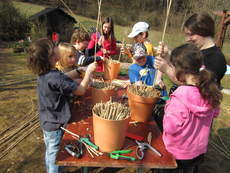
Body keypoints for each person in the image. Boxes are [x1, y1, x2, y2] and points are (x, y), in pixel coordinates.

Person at [26, 38, 97, 173]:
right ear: (51, 57)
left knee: (51, 151)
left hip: (47, 120)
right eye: (54, 47)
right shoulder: (56, 78)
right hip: (56, 124)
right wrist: (87, 73)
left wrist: (78, 70)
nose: (57, 47)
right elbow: (81, 90)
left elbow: (62, 77)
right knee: (56, 155)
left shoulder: (45, 72)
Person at [161, 43, 222, 173]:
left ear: (182, 69)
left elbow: (170, 127)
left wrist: (167, 108)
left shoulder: (180, 95)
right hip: (197, 152)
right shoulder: (210, 90)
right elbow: (215, 112)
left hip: (177, 154)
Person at [154, 12, 227, 94]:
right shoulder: (194, 52)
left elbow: (194, 86)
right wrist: (167, 57)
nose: (188, 39)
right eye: (187, 35)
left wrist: (167, 69)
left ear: (203, 31)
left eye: (191, 34)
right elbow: (181, 72)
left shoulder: (216, 59)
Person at [129, 42, 168, 131]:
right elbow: (139, 87)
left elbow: (160, 67)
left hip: (160, 100)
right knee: (148, 126)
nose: (141, 59)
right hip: (147, 103)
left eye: (143, 56)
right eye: (138, 58)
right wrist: (151, 89)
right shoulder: (133, 69)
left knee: (162, 125)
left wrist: (158, 79)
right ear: (133, 58)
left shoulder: (150, 59)